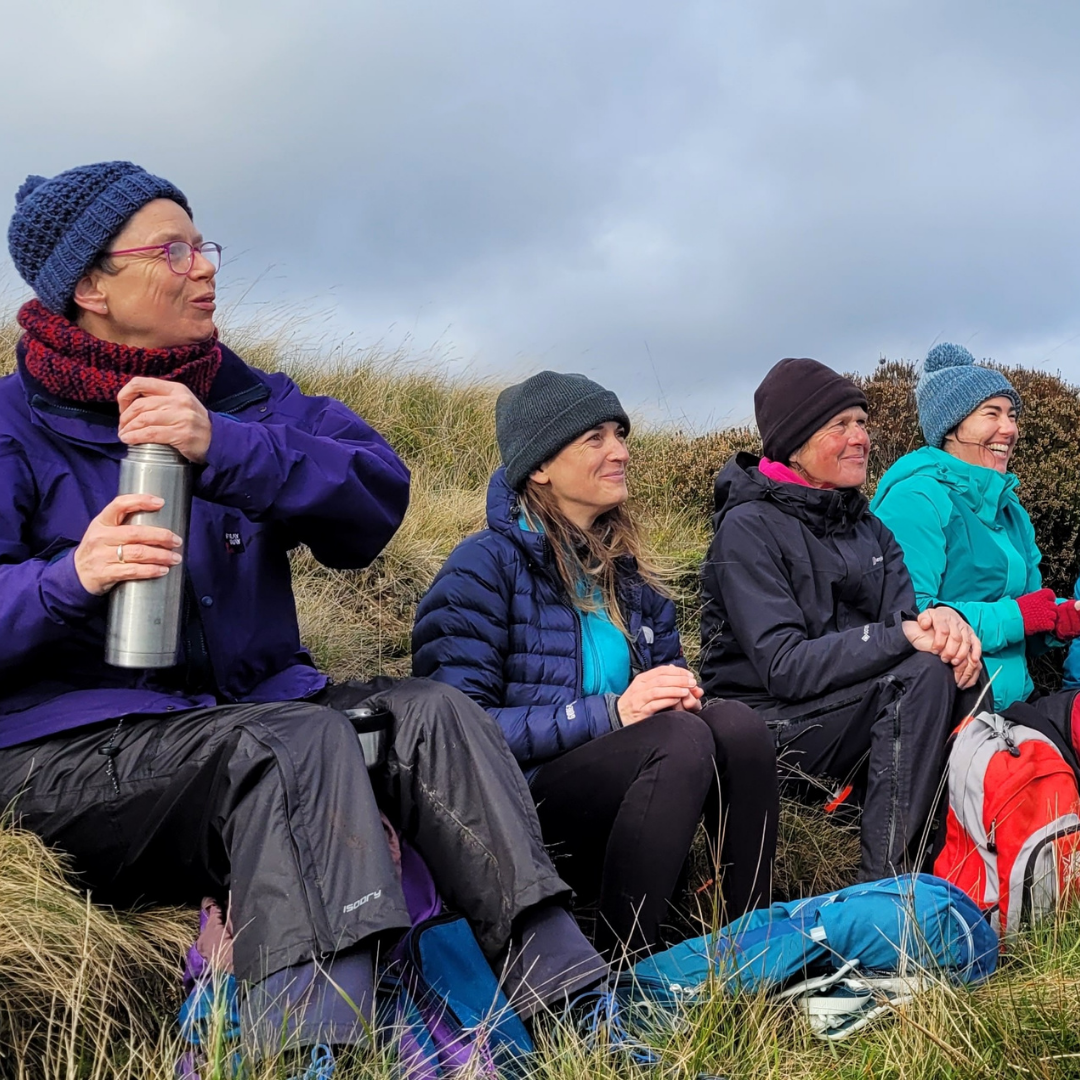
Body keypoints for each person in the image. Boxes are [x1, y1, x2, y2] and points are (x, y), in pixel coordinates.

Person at [0, 162, 603, 1054]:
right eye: (172, 249)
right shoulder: (15, 427)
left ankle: (577, 1010)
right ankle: (314, 1052)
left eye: (204, 244)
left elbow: (376, 492)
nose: (204, 266)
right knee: (291, 743)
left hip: (243, 721)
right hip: (66, 756)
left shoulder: (245, 400)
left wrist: (225, 445)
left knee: (433, 715)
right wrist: (70, 577)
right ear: (90, 285)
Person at [412, 371, 778, 960]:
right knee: (680, 740)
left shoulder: (632, 580)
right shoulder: (482, 567)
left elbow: (668, 695)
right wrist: (612, 712)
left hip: (634, 792)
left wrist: (679, 694)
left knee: (735, 726)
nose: (621, 451)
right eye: (595, 439)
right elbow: (455, 733)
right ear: (539, 466)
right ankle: (624, 966)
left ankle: (754, 948)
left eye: (620, 434)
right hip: (517, 811)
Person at [699, 358, 983, 882]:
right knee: (918, 678)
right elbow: (784, 667)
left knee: (963, 674)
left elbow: (906, 631)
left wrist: (947, 631)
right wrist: (904, 635)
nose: (860, 438)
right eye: (840, 426)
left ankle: (955, 875)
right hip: (767, 721)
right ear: (794, 442)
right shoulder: (746, 529)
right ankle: (885, 889)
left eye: (863, 423)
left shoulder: (868, 527)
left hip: (846, 708)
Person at [872, 342, 1080, 712]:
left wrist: (1060, 620)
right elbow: (913, 619)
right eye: (992, 413)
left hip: (1017, 702)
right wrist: (1022, 616)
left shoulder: (1009, 507)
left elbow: (1026, 623)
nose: (1009, 428)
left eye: (1012, 415)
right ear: (952, 426)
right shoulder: (915, 500)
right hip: (947, 710)